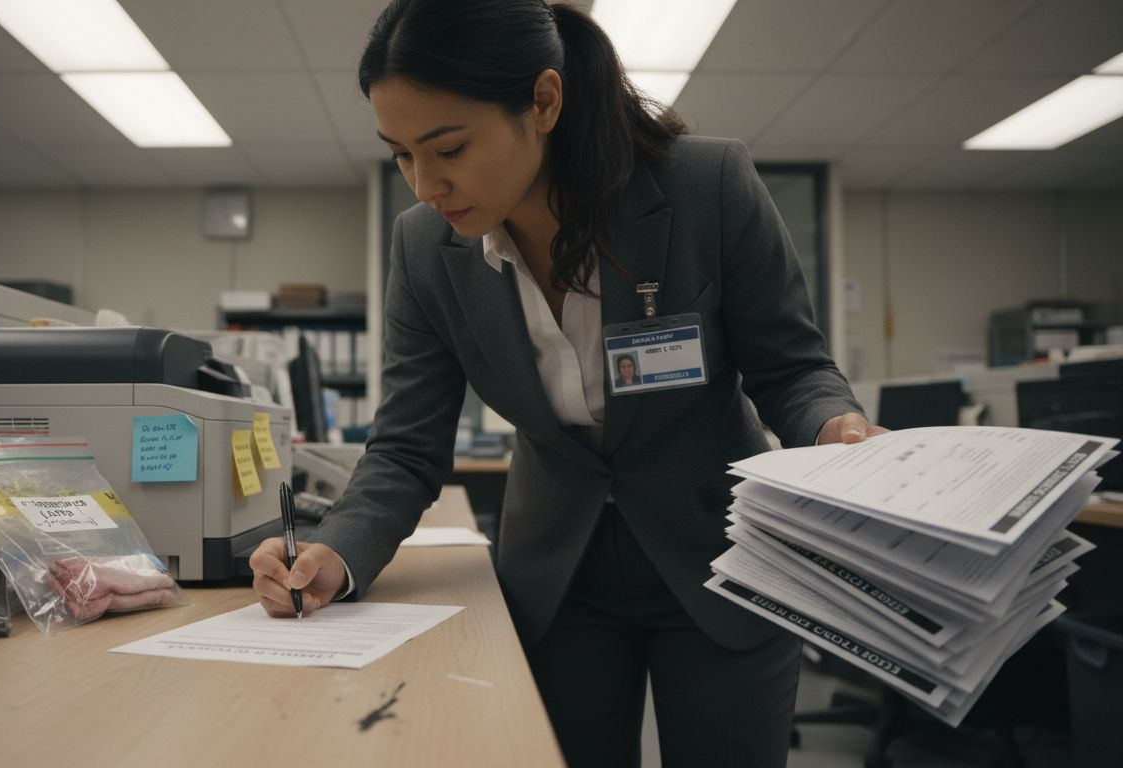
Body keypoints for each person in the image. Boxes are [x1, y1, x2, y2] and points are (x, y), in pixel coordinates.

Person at [250, 1, 885, 765]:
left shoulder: (705, 186)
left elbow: (793, 371)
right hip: (558, 578)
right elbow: (405, 449)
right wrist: (336, 554)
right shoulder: (425, 249)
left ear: (543, 102)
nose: (424, 184)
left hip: (723, 562)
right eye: (400, 155)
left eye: (447, 148)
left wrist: (839, 430)